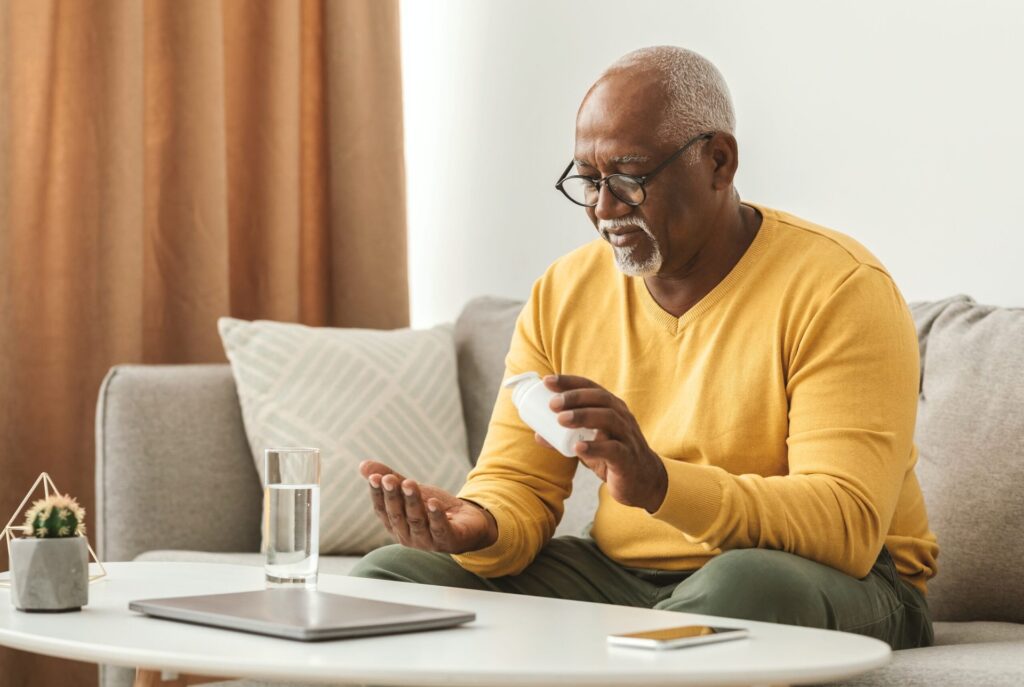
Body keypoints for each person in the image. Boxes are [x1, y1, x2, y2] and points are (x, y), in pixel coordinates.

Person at [350, 46, 938, 649]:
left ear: (719, 160)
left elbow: (846, 523)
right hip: (626, 579)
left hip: (839, 579)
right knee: (392, 579)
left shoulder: (838, 286)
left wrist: (659, 483)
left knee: (746, 586)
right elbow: (518, 482)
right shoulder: (565, 291)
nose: (604, 209)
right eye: (588, 179)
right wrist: (476, 526)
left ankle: (653, 638)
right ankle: (652, 641)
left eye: (630, 177)